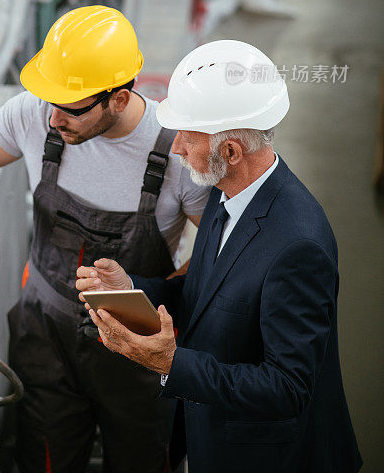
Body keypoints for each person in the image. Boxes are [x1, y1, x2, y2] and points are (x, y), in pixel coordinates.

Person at [0, 5, 210, 473]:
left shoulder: (174, 152)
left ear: (119, 96)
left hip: (135, 348)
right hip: (45, 339)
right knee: (46, 461)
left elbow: (214, 254)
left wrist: (157, 296)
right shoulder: (34, 116)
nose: (53, 119)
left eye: (70, 107)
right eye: (49, 100)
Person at [77, 40, 362, 473]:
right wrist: (130, 289)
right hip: (214, 435)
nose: (175, 149)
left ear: (229, 151)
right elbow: (206, 293)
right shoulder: (227, 191)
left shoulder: (298, 247)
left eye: (186, 139)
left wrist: (171, 364)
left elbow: (287, 387)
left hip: (269, 457)